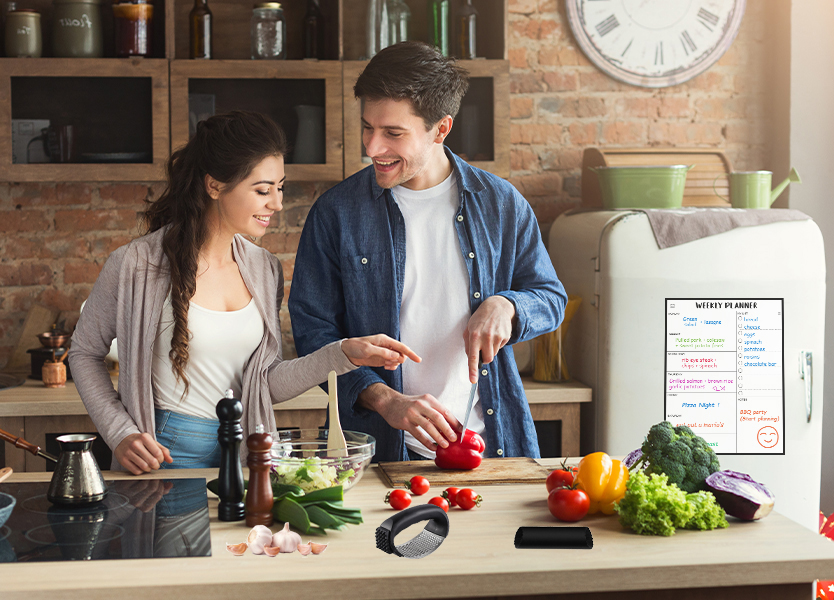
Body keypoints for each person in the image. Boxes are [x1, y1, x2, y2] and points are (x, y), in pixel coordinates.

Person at [70, 111, 419, 474]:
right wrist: (119, 432)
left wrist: (343, 353)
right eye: (263, 190)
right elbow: (84, 353)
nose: (277, 203)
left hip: (246, 455)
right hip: (165, 455)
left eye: (279, 188)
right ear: (215, 186)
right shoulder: (135, 265)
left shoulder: (264, 269)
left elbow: (263, 384)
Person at [289, 42, 567, 463]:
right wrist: (384, 399)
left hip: (489, 446)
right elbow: (314, 333)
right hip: (378, 452)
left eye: (393, 134)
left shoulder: (501, 204)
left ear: (441, 129)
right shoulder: (336, 213)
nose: (372, 147)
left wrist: (507, 306)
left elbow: (550, 298)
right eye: (368, 127)